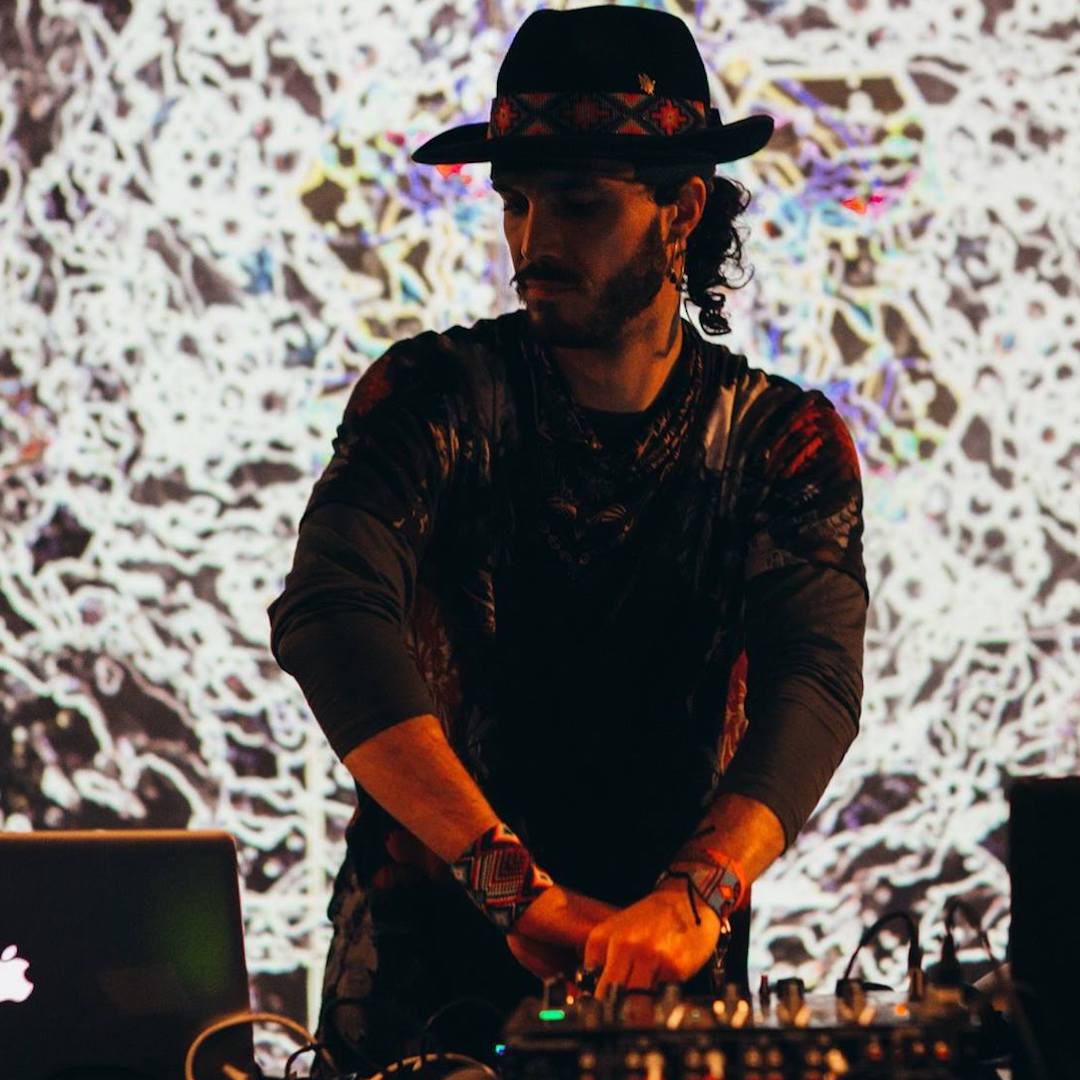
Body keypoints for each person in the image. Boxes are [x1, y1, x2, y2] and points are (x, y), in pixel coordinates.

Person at [268, 5, 867, 1075]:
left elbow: (813, 682)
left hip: (664, 1002)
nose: (533, 241)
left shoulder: (779, 441)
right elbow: (330, 613)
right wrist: (515, 893)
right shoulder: (432, 397)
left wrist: (696, 896)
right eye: (516, 201)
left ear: (683, 211)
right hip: (415, 1013)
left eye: (580, 203)